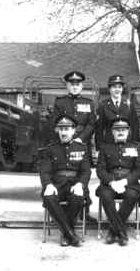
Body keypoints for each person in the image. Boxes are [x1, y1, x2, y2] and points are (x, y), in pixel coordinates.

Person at [52, 70, 97, 223]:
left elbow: (91, 124)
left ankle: (85, 212)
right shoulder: (60, 102)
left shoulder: (89, 103)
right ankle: (63, 211)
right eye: (72, 84)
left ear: (82, 86)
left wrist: (80, 139)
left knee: (83, 177)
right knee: (65, 176)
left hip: (82, 145)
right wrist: (67, 138)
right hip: (65, 143)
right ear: (67, 86)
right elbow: (55, 123)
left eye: (77, 84)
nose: (75, 87)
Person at [39, 115, 91, 247]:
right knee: (49, 197)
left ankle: (66, 234)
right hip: (57, 184)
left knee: (78, 197)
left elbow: (86, 171)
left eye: (67, 129)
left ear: (74, 131)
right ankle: (70, 234)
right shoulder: (50, 149)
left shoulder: (82, 148)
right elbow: (44, 171)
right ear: (57, 130)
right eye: (61, 129)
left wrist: (80, 184)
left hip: (75, 183)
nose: (63, 132)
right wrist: (48, 185)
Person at [96, 117, 140, 246]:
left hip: (129, 183)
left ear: (128, 131)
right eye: (117, 130)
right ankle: (121, 232)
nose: (121, 132)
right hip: (109, 182)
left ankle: (113, 231)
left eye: (124, 129)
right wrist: (112, 182)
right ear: (112, 132)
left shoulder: (136, 147)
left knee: (132, 195)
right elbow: (100, 170)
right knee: (105, 195)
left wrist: (125, 182)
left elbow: (138, 170)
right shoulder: (105, 147)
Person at [95, 75, 140, 150]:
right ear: (109, 89)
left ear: (122, 89)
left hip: (127, 143)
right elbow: (99, 129)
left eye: (119, 87)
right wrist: (99, 148)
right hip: (109, 143)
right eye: (114, 87)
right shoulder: (103, 105)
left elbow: (135, 126)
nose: (117, 89)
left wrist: (135, 145)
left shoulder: (129, 105)